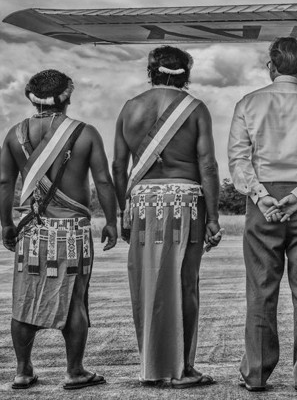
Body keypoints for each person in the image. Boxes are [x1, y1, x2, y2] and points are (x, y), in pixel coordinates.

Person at [228, 37, 297, 392]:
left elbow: (239, 160)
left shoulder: (248, 103)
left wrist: (261, 197)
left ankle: (256, 373)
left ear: (271, 66)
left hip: (263, 205)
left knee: (261, 289)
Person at [0, 70, 117, 390]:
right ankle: (74, 371)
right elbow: (103, 180)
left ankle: (23, 371)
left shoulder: (15, 134)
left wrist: (6, 224)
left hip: (32, 230)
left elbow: (5, 183)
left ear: (31, 97)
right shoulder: (85, 133)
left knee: (24, 303)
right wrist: (111, 220)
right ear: (67, 97)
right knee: (74, 301)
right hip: (73, 232)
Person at [112, 46, 222, 388]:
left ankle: (153, 366)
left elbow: (118, 166)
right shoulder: (196, 108)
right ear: (186, 73)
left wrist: (121, 211)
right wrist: (214, 216)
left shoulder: (130, 108)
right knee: (186, 284)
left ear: (151, 71)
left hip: (143, 203)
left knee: (146, 285)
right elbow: (207, 165)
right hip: (186, 202)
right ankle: (184, 368)